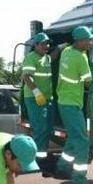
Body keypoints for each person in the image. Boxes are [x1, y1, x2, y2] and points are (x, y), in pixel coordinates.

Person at [54, 25, 93, 184]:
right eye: (88, 41)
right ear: (79, 41)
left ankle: (62, 166)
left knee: (73, 137)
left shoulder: (66, 52)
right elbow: (88, 82)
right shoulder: (80, 57)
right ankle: (79, 178)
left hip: (64, 102)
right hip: (72, 104)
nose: (90, 44)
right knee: (83, 141)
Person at [22, 32, 54, 171]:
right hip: (35, 98)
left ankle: (41, 157)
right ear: (35, 45)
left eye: (47, 44)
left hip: (47, 98)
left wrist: (61, 46)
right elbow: (27, 77)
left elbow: (54, 55)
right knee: (40, 129)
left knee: (46, 128)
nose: (46, 46)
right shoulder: (31, 57)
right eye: (43, 44)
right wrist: (37, 93)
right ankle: (36, 161)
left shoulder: (46, 58)